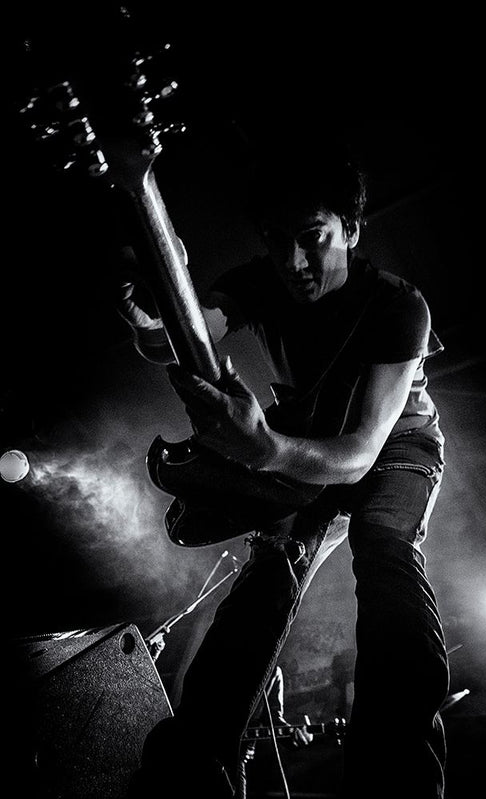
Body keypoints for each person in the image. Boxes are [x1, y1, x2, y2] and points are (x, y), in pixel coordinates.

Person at [121, 134, 450, 798]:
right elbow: (187, 333)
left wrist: (265, 449)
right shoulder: (257, 281)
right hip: (306, 441)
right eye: (277, 240)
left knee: (383, 550)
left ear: (350, 229)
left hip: (393, 447)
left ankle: (397, 771)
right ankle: (196, 760)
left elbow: (360, 453)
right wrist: (150, 323)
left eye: (312, 237)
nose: (294, 261)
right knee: (270, 572)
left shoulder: (398, 306)